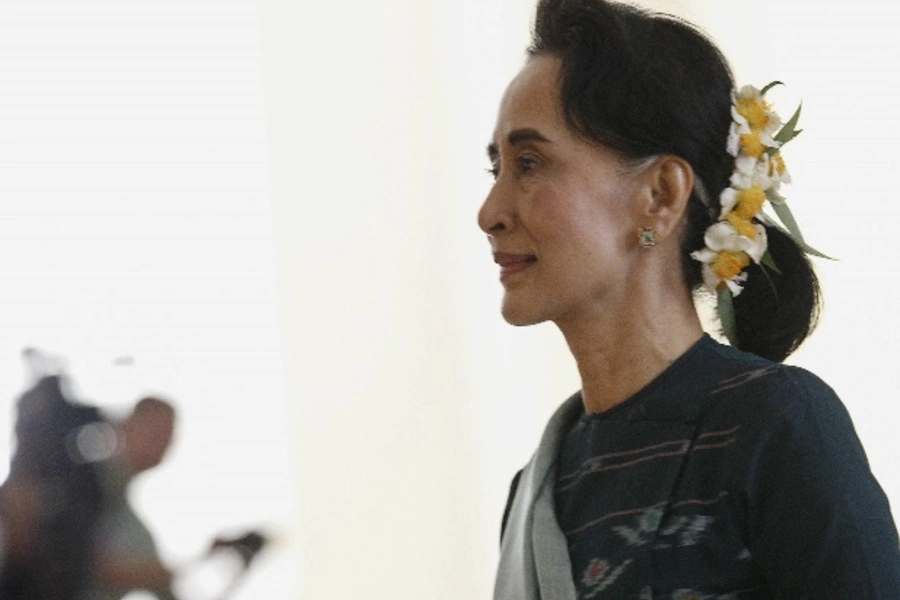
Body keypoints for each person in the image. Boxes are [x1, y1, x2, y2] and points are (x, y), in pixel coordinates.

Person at [478, 0, 900, 598]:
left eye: (529, 162)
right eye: (495, 168)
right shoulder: (539, 489)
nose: (489, 213)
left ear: (659, 194)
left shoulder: (774, 426)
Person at [86, 396, 179, 600]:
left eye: (169, 435)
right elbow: (94, 565)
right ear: (127, 425)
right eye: (156, 431)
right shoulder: (81, 483)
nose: (164, 443)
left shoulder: (135, 528)